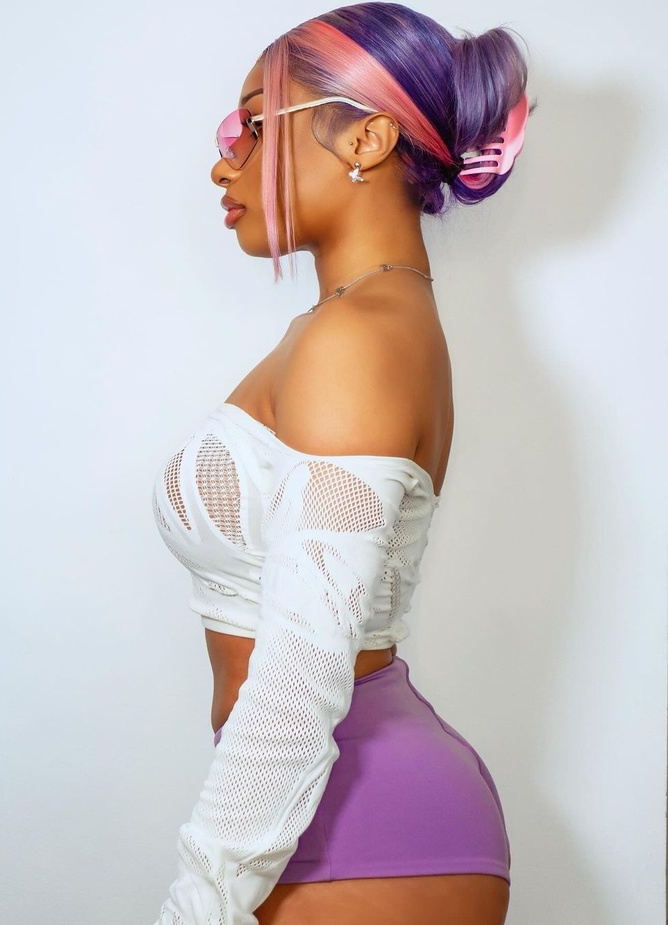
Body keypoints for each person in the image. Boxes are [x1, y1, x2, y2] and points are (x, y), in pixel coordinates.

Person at [150, 4, 533, 923]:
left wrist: (197, 904)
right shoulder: (359, 324)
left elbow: (302, 669)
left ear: (367, 137)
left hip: (362, 824)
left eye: (252, 125)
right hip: (335, 812)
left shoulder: (359, 337)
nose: (224, 162)